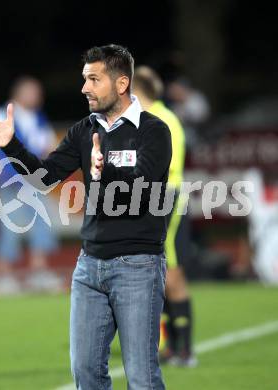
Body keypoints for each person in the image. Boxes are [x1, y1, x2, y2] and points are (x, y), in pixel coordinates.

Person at [0, 44, 171, 389]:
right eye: (84, 79)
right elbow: (41, 179)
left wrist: (101, 171)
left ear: (121, 84)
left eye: (94, 79)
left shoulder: (154, 131)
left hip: (138, 265)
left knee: (142, 377)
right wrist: (11, 145)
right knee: (86, 374)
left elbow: (141, 189)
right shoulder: (83, 130)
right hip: (89, 266)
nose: (84, 88)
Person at [133, 65, 196, 366]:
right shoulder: (149, 118)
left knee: (171, 274)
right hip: (155, 199)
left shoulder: (163, 119)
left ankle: (184, 349)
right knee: (161, 275)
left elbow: (161, 166)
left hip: (166, 199)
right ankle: (173, 346)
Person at [0, 76, 61, 294]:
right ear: (19, 93)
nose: (37, 96)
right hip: (8, 180)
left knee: (41, 224)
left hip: (33, 181)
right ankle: (2, 275)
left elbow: (49, 145)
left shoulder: (38, 118)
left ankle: (38, 272)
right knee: (9, 226)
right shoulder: (1, 113)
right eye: (33, 92)